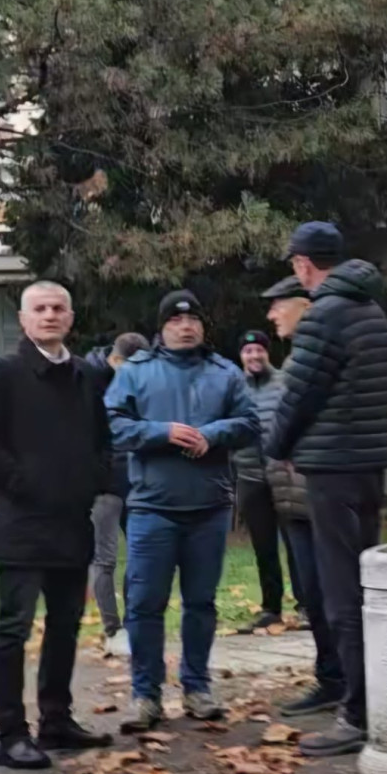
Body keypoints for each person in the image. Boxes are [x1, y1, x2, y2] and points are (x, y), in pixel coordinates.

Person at [0, 281, 115, 770]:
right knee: (14, 629)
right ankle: (11, 735)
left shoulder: (88, 376)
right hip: (21, 524)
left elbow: (101, 440)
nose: (49, 315)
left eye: (58, 308)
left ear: (70, 317)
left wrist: (92, 481)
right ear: (24, 321)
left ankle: (56, 721)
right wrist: (23, 482)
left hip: (71, 522)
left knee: (66, 626)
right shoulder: (1, 374)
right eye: (39, 309)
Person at [266, 223, 387, 757]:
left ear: (302, 265)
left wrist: (276, 447)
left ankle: (359, 714)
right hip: (365, 465)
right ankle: (380, 698)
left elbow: (297, 395)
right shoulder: (371, 310)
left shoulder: (324, 313)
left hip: (331, 469)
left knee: (343, 594)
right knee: (369, 588)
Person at [105, 290, 260, 733]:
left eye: (192, 320)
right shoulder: (136, 373)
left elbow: (250, 423)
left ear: (202, 327)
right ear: (162, 328)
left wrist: (212, 434)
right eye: (175, 320)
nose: (185, 326)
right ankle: (145, 696)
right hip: (153, 508)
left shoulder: (226, 373)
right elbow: (113, 424)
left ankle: (197, 687)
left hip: (208, 506)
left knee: (201, 603)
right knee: (144, 605)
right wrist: (161, 432)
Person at [258, 276, 345, 718]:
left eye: (278, 306)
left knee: (334, 594)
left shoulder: (315, 355)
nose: (272, 315)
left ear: (304, 306)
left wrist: (282, 448)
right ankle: (331, 680)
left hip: (319, 490)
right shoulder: (294, 359)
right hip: (290, 498)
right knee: (312, 594)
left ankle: (347, 683)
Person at [82, 331, 151, 657]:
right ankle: (113, 629)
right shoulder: (88, 379)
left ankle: (135, 623)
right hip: (104, 484)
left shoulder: (136, 378)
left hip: (135, 479)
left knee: (141, 554)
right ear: (117, 360)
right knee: (105, 558)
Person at [231, 329, 288, 633]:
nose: (254, 356)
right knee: (263, 546)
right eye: (248, 351)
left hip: (285, 476)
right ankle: (271, 608)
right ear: (241, 356)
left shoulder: (284, 383)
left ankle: (306, 606)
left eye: (259, 350)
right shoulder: (233, 387)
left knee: (296, 543)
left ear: (268, 353)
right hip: (250, 476)